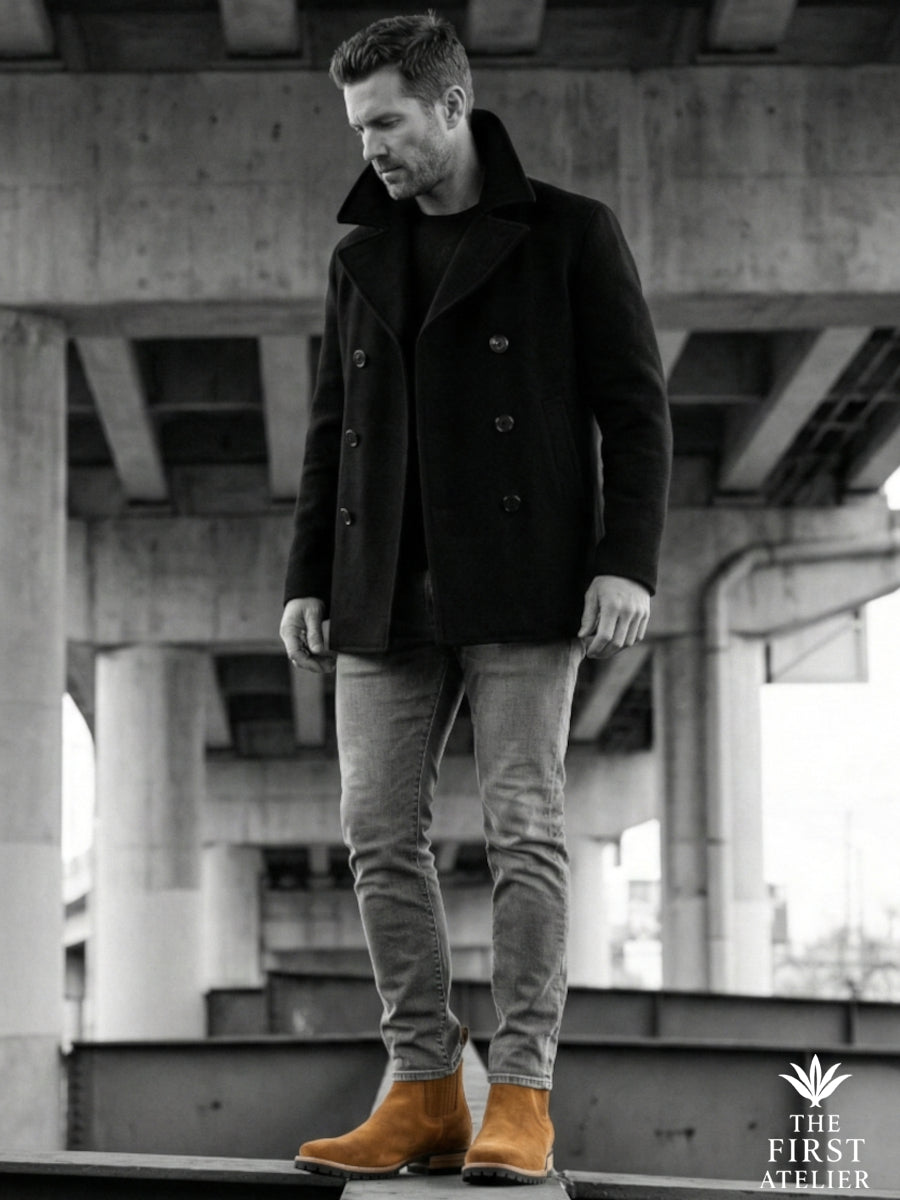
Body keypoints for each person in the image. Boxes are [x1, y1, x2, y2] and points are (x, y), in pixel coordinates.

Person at [280, 11, 672, 1185]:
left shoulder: (568, 234)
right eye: (359, 129)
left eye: (388, 122)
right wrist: (308, 574)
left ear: (453, 105)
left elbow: (635, 408)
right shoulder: (360, 257)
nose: (373, 149)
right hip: (380, 583)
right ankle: (421, 1088)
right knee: (375, 836)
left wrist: (627, 560)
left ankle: (523, 1092)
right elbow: (330, 432)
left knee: (525, 834)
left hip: (524, 576)